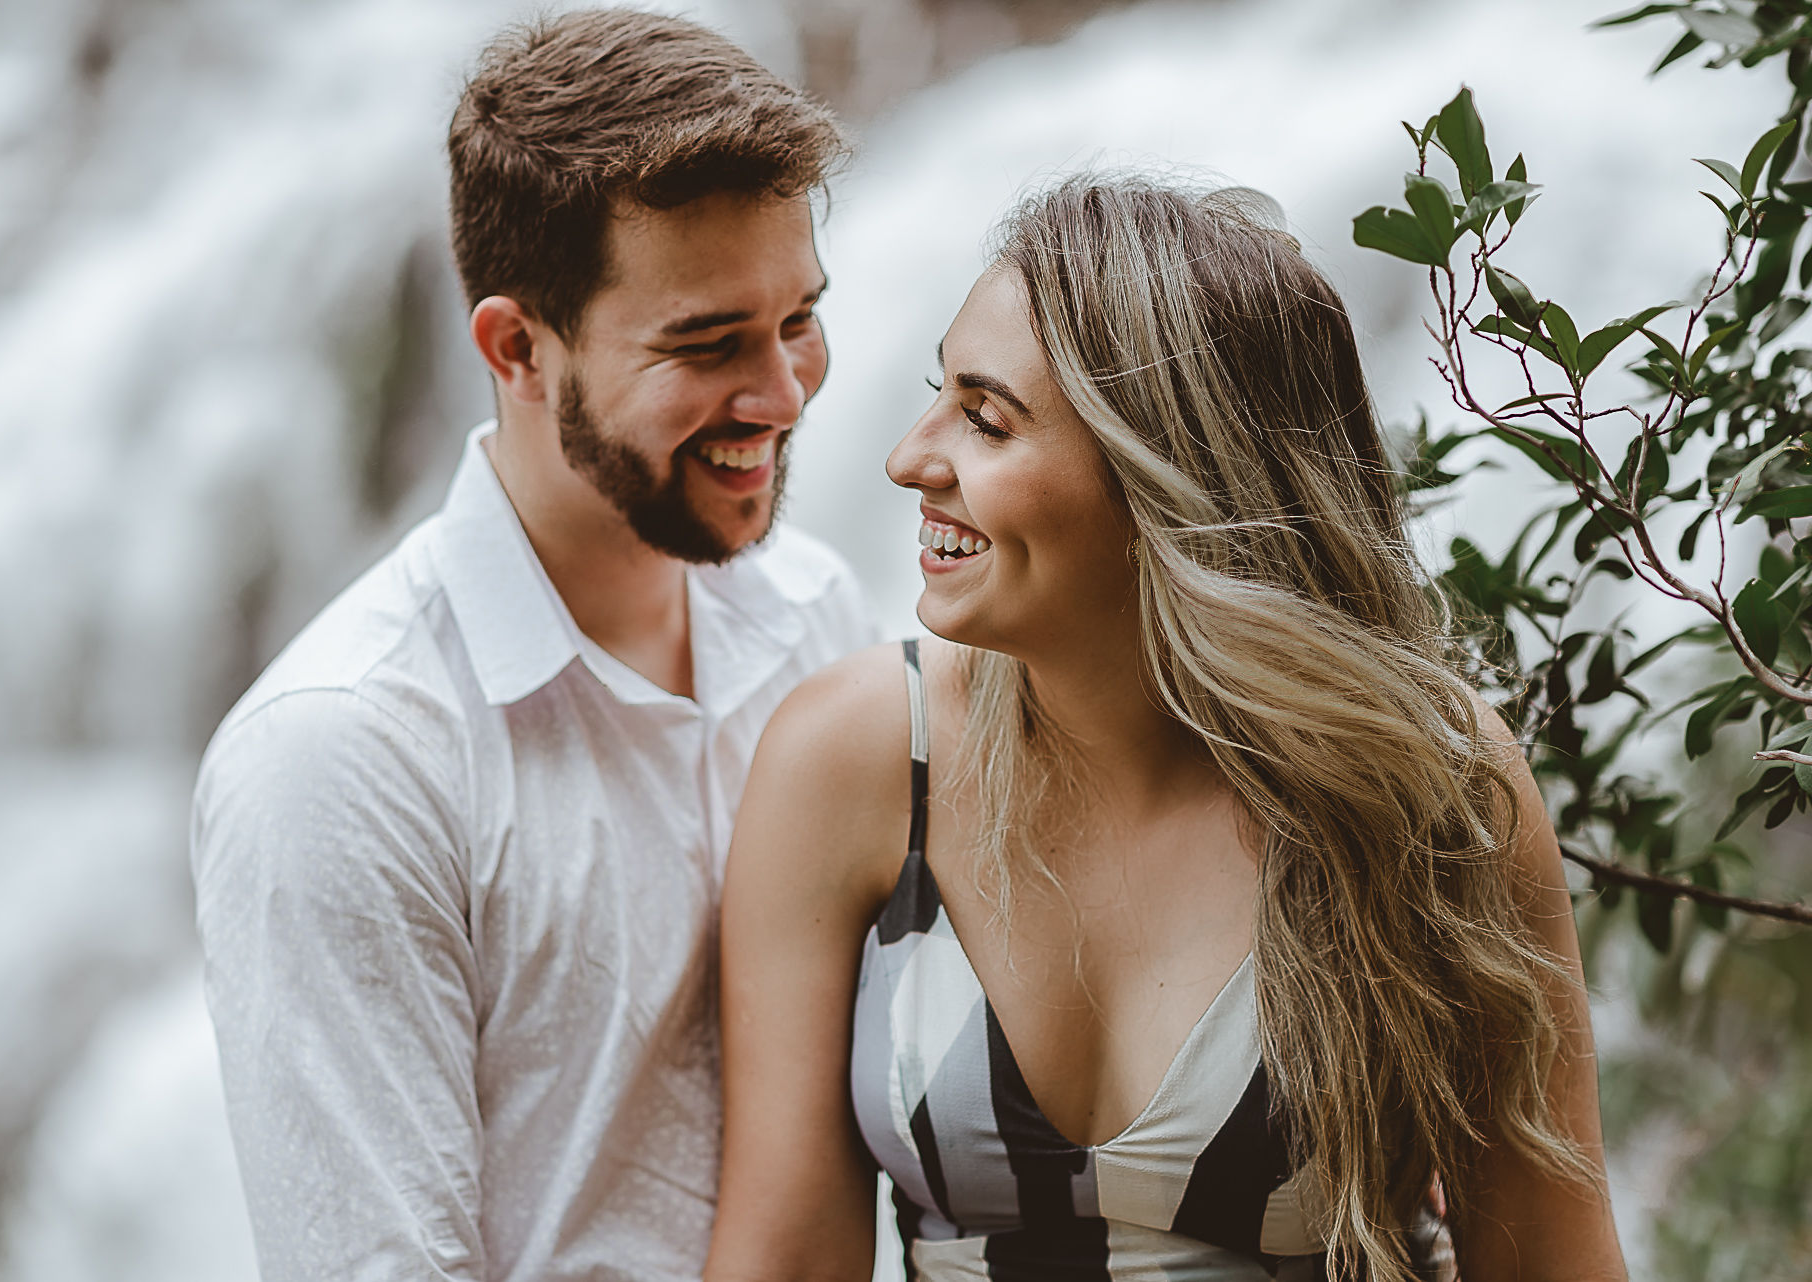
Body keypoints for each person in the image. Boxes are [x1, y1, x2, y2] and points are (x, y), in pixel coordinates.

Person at [705, 175, 1628, 1281]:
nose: (910, 457)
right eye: (936, 395)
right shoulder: (854, 757)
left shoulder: (1430, 786)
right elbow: (784, 1258)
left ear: (1166, 481)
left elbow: (1551, 1259)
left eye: (985, 419)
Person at [190, 11, 874, 1280]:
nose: (782, 395)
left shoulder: (819, 619)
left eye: (799, 321)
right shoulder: (343, 757)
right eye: (708, 343)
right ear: (515, 348)